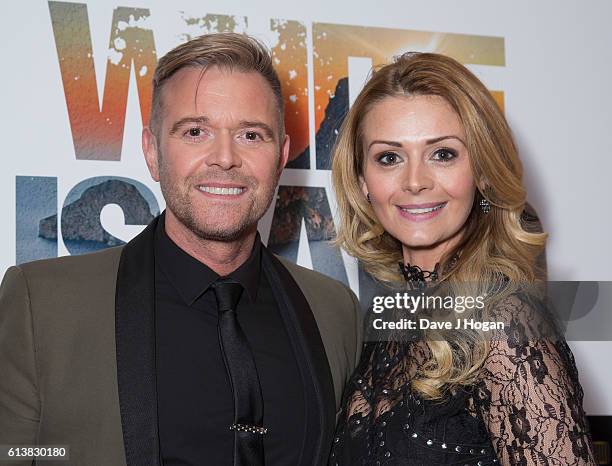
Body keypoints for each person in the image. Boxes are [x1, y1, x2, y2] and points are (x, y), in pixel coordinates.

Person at [0, 33, 362, 466]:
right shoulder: (42, 304)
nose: (224, 158)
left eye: (250, 135)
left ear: (281, 155)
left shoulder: (334, 311)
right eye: (195, 131)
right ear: (152, 152)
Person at [329, 52, 596, 465]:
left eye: (443, 154)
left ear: (484, 171)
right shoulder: (392, 321)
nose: (415, 181)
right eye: (389, 157)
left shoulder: (505, 324)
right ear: (363, 180)